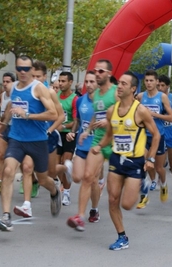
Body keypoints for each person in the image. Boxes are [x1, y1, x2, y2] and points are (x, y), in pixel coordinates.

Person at [92, 71, 160, 250]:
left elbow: (156, 135)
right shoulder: (111, 111)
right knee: (112, 200)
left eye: (123, 84)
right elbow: (109, 135)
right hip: (116, 159)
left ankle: (142, 183)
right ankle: (122, 237)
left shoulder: (140, 111)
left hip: (135, 162)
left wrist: (151, 158)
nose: (119, 86)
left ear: (133, 88)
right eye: (118, 83)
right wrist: (99, 146)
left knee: (127, 204)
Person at [0, 55, 61, 231]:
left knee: (43, 178)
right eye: (19, 69)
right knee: (8, 170)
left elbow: (53, 114)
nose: (23, 72)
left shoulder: (39, 89)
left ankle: (55, 192)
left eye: (26, 69)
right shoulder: (14, 87)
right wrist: (3, 124)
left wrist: (28, 115)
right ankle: (6, 217)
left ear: (32, 70)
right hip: (17, 138)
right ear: (16, 69)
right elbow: (12, 107)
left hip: (37, 140)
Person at [67, 59, 118, 229]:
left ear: (109, 74)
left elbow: (127, 114)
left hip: (117, 141)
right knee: (88, 177)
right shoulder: (96, 95)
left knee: (119, 196)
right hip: (98, 141)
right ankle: (80, 216)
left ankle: (140, 180)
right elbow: (97, 114)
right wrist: (87, 131)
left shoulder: (117, 93)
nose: (97, 74)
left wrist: (109, 122)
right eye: (96, 70)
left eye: (101, 71)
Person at [13, 60, 66, 218]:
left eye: (38, 76)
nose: (34, 79)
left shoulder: (48, 92)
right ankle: (27, 205)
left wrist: (50, 130)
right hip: (30, 137)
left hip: (46, 136)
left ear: (44, 77)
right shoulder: (25, 89)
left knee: (48, 174)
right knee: (28, 168)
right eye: (33, 75)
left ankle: (64, 172)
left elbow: (60, 115)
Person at [65, 71, 104, 230]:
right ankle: (70, 168)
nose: (88, 84)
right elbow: (78, 121)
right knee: (76, 178)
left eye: (92, 81)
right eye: (86, 81)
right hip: (82, 143)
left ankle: (93, 210)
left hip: (97, 146)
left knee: (90, 178)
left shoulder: (105, 101)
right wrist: (72, 132)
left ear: (98, 83)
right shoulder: (80, 101)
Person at [136, 69, 172, 209]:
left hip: (158, 136)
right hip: (144, 136)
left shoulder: (162, 97)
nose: (149, 83)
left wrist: (153, 114)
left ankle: (163, 184)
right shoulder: (140, 96)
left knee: (159, 168)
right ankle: (144, 196)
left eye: (151, 80)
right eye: (146, 80)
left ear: (157, 82)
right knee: (142, 165)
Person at [158, 75, 172, 202]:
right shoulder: (154, 97)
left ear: (168, 86)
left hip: (170, 131)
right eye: (159, 85)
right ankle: (163, 184)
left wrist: (169, 112)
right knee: (159, 164)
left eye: (163, 85)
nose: (160, 88)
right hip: (159, 132)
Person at [57, 71, 77, 206]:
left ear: (70, 82)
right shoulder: (55, 96)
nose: (60, 83)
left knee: (65, 162)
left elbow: (76, 120)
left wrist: (64, 126)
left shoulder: (75, 99)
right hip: (56, 135)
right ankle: (64, 181)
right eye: (59, 81)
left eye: (63, 81)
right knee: (57, 166)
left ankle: (66, 193)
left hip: (69, 134)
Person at [0, 72, 15, 182]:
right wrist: (0, 120)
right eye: (3, 81)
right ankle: (0, 180)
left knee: (11, 157)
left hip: (14, 127)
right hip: (4, 128)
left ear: (13, 82)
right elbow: (3, 112)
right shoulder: (2, 95)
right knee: (1, 154)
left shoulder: (16, 95)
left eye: (8, 81)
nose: (5, 84)